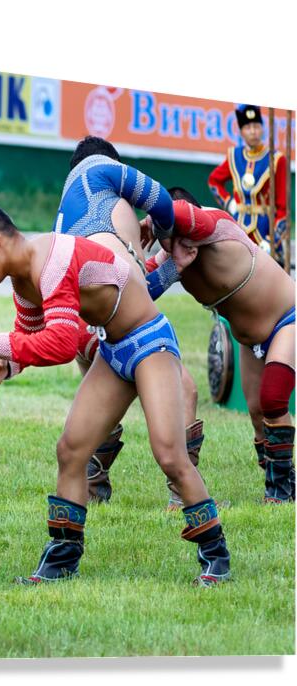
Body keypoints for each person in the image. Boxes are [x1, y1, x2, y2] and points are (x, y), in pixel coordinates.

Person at [0, 202, 231, 586]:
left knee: (169, 454)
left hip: (150, 342)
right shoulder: (23, 280)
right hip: (114, 350)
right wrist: (8, 363)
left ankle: (216, 557)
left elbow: (64, 343)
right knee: (71, 449)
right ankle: (62, 561)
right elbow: (32, 336)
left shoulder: (51, 261)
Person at [55, 136, 202, 509]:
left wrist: (168, 268)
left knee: (72, 448)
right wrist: (167, 234)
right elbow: (163, 203)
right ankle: (179, 498)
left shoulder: (68, 218)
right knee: (183, 403)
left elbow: (125, 294)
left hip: (93, 335)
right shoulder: (100, 175)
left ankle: (95, 483)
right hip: (125, 335)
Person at [142, 187, 295, 502]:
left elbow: (185, 216)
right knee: (256, 414)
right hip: (248, 338)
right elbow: (136, 289)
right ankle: (276, 478)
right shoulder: (171, 253)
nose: (175, 243)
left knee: (273, 398)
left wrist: (152, 207)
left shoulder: (215, 226)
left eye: (174, 228)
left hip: (287, 318)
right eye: (165, 235)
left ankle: (282, 491)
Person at [208, 104, 287, 267]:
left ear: (262, 128)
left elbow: (283, 209)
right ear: (241, 131)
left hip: (265, 231)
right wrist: (229, 202)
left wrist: (271, 240)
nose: (253, 131)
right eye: (248, 127)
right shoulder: (234, 156)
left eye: (256, 126)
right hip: (238, 228)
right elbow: (214, 182)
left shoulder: (277, 159)